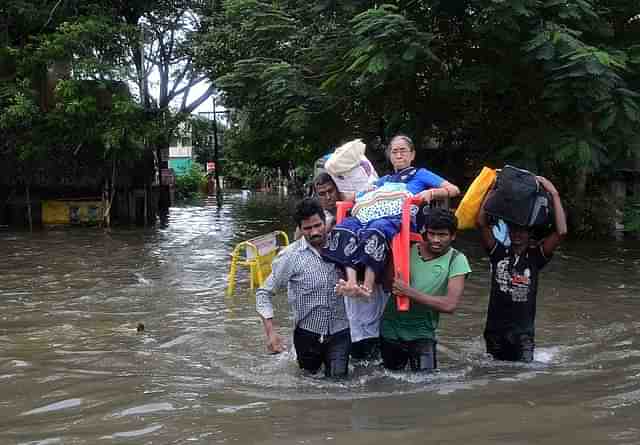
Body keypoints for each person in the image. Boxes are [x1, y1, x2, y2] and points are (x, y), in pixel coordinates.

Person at [324, 134, 460, 298]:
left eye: (403, 151)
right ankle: (351, 282)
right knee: (346, 226)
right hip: (373, 215)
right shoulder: (384, 180)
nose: (399, 155)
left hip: (400, 218)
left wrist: (432, 192)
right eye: (394, 152)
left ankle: (367, 286)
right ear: (390, 155)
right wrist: (361, 190)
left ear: (412, 154)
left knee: (378, 227)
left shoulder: (420, 174)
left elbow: (453, 190)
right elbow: (354, 199)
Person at [256, 198, 351, 377]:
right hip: (307, 334)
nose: (314, 232)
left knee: (340, 383)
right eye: (308, 228)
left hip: (340, 331)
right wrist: (271, 333)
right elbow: (263, 293)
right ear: (300, 228)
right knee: (309, 385)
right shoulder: (290, 256)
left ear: (325, 221)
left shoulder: (342, 246)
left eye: (318, 225)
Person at [476, 176, 567, 362]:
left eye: (522, 230)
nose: (517, 234)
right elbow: (481, 223)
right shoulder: (498, 252)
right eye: (514, 229)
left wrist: (554, 194)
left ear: (529, 233)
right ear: (508, 231)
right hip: (495, 333)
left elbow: (561, 232)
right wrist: (494, 190)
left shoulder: (536, 257)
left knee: (524, 373)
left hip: (523, 335)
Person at [380, 207, 471, 372]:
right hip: (390, 329)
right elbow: (387, 285)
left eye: (442, 235)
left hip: (423, 333)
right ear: (425, 233)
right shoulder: (407, 248)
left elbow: (449, 305)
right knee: (387, 380)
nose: (436, 240)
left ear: (453, 236)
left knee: (426, 382)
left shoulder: (457, 260)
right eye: (431, 234)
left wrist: (409, 292)